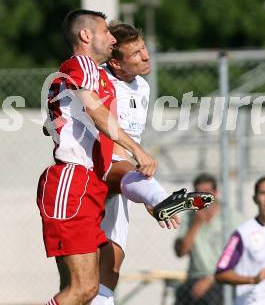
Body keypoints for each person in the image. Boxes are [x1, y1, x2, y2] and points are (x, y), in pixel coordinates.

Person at [36, 9, 158, 305]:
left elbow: (58, 120)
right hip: (72, 179)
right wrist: (137, 150)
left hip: (88, 183)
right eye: (106, 31)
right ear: (86, 35)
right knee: (83, 289)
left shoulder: (95, 77)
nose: (112, 37)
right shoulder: (82, 64)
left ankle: (155, 196)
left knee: (86, 289)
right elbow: (98, 113)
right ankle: (158, 196)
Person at [90, 23, 215, 305]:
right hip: (94, 169)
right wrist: (148, 189)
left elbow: (131, 137)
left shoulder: (142, 87)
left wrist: (142, 191)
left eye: (143, 48)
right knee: (81, 268)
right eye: (135, 53)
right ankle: (162, 197)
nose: (145, 56)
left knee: (112, 261)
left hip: (127, 177)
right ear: (115, 62)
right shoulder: (98, 81)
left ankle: (158, 198)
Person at [174, 173, 243, 305]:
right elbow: (181, 252)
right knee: (181, 293)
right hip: (195, 277)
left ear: (215, 193)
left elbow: (241, 253)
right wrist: (196, 224)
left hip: (223, 277)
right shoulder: (190, 218)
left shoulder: (232, 217)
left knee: (210, 296)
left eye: (206, 192)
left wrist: (211, 279)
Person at [215, 176, 265, 305]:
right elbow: (221, 273)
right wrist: (253, 279)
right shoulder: (242, 233)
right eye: (263, 194)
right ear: (255, 199)